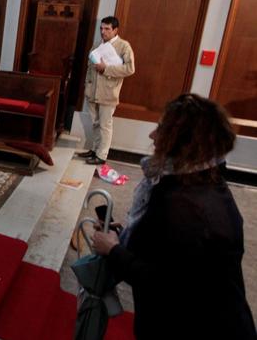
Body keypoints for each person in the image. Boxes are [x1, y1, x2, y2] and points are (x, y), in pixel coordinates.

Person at [92, 94, 256, 340]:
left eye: (161, 129)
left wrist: (114, 251)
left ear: (181, 143)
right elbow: (170, 251)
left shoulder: (186, 207)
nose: (152, 136)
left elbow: (166, 285)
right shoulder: (199, 183)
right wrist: (129, 233)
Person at [78, 16, 135, 165]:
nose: (103, 32)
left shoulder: (124, 46)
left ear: (115, 30)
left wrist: (107, 69)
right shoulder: (97, 44)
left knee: (105, 125)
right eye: (101, 28)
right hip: (92, 91)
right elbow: (90, 67)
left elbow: (130, 69)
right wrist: (87, 85)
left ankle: (101, 156)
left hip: (108, 92)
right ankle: (95, 150)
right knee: (95, 123)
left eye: (107, 29)